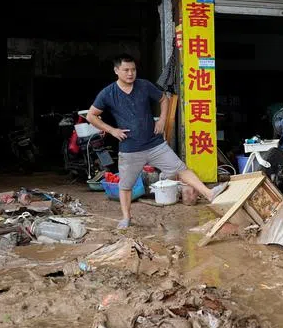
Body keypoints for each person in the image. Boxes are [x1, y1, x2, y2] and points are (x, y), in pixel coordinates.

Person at [87, 54, 226, 228]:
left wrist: (162, 119)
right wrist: (112, 130)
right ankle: (126, 217)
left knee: (181, 169)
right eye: (126, 70)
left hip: (155, 144)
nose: (131, 73)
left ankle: (209, 193)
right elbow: (91, 115)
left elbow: (163, 99)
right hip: (130, 148)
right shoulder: (108, 93)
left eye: (133, 70)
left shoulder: (144, 85)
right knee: (126, 185)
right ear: (117, 71)